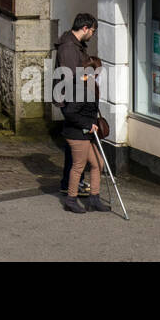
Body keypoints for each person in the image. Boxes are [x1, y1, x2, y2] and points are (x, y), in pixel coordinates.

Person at [55, 12, 97, 198]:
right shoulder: (69, 48)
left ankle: (72, 181)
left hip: (74, 99)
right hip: (72, 101)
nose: (92, 34)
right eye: (93, 31)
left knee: (76, 142)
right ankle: (71, 183)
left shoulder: (75, 45)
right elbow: (72, 77)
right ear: (85, 28)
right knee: (77, 141)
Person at [62, 55, 111, 214]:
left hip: (86, 134)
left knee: (98, 163)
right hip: (77, 134)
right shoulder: (80, 89)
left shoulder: (86, 85)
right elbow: (70, 112)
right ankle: (71, 199)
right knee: (78, 166)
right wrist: (87, 125)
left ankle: (94, 198)